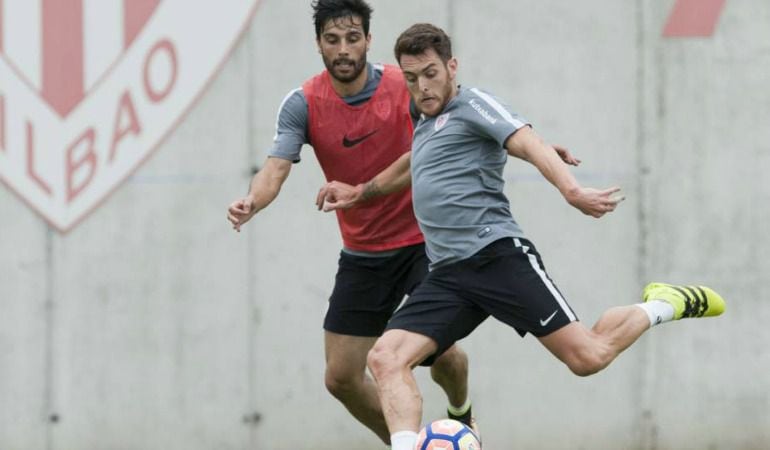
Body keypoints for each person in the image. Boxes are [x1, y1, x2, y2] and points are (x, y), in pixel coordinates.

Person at [352, 23, 727, 450]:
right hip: (447, 274)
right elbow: (412, 163)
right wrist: (360, 192)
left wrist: (571, 189)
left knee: (587, 357)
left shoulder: (473, 104)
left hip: (496, 257)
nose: (423, 87)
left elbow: (526, 142)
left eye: (431, 73)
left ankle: (663, 303)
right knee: (385, 358)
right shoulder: (423, 119)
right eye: (412, 78)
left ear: (452, 67)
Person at [226, 2, 479, 445]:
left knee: (440, 358)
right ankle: (420, 443)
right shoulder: (303, 102)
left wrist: (526, 142)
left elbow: (466, 121)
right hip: (364, 255)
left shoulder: (405, 85)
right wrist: (253, 200)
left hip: (426, 243)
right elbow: (275, 169)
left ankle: (462, 412)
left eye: (352, 38)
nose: (343, 49)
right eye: (332, 39)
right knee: (340, 378)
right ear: (318, 44)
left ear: (368, 40)